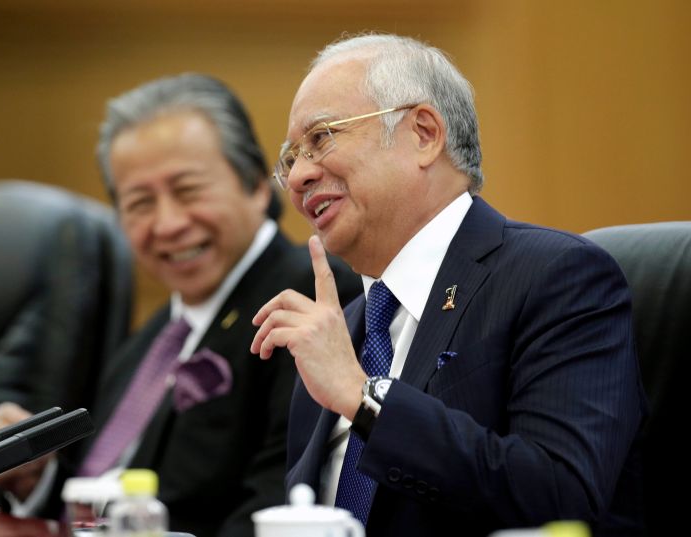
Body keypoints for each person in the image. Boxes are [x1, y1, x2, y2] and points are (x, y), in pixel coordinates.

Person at [251, 34, 646, 536]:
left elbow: (561, 496)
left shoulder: (557, 278)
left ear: (423, 133)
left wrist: (364, 397)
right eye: (290, 159)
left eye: (322, 137)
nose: (301, 174)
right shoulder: (338, 333)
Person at [0, 73, 362, 537]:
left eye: (188, 191)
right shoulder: (154, 334)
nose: (167, 224)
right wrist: (36, 480)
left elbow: (276, 507)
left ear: (257, 185)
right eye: (140, 202)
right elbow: (119, 494)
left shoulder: (313, 301)